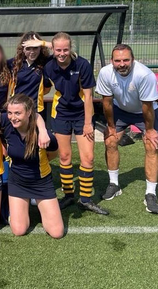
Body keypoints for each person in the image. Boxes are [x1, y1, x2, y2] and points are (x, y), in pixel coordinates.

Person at [43, 32, 108, 215]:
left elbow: (88, 96)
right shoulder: (49, 66)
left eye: (65, 49)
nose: (62, 53)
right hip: (61, 114)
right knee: (64, 157)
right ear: (53, 50)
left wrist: (88, 123)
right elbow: (46, 86)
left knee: (88, 158)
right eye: (58, 50)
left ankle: (85, 199)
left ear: (70, 49)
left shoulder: (82, 65)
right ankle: (69, 195)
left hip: (82, 115)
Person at [96, 44, 158, 213]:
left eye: (125, 60)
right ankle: (114, 184)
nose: (122, 64)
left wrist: (150, 130)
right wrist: (111, 126)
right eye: (117, 60)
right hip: (120, 110)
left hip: (144, 111)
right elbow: (107, 102)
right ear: (111, 61)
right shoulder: (105, 73)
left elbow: (147, 107)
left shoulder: (145, 75)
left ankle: (150, 194)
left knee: (152, 145)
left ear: (133, 59)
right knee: (110, 141)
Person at [3, 94, 64, 238]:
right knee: (19, 230)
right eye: (10, 113)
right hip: (17, 182)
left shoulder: (44, 135)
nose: (13, 117)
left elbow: (54, 153)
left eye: (18, 113)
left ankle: (40, 206)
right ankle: (12, 208)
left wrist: (42, 130)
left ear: (29, 113)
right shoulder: (7, 127)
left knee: (57, 233)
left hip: (42, 183)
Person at [10, 32, 51, 113]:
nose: (32, 52)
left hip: (36, 110)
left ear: (40, 48)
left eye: (35, 48)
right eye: (28, 48)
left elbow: (61, 49)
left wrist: (43, 43)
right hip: (17, 109)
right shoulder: (14, 63)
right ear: (23, 49)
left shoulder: (45, 62)